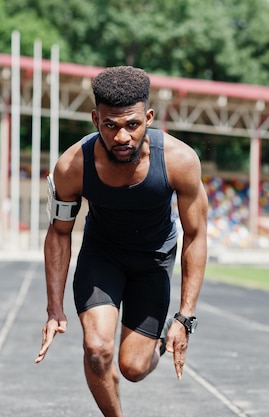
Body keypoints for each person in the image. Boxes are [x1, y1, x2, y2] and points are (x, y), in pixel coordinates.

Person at [35, 65, 208, 417]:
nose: (122, 137)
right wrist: (54, 308)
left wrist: (185, 316)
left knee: (132, 368)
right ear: (96, 119)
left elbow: (196, 234)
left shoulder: (179, 160)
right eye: (110, 126)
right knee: (97, 350)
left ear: (148, 117)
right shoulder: (72, 166)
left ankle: (153, 347)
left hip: (153, 261)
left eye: (132, 125)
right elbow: (59, 233)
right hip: (103, 257)